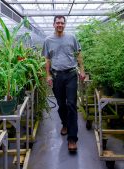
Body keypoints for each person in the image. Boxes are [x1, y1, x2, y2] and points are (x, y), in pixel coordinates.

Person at [42, 15, 85, 152]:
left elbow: (78, 54)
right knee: (61, 105)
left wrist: (82, 70)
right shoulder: (48, 40)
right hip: (56, 76)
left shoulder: (72, 37)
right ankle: (65, 124)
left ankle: (72, 138)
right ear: (53, 24)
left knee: (71, 104)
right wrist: (48, 75)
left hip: (71, 74)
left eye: (62, 23)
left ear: (65, 24)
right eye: (57, 23)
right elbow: (47, 59)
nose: (60, 25)